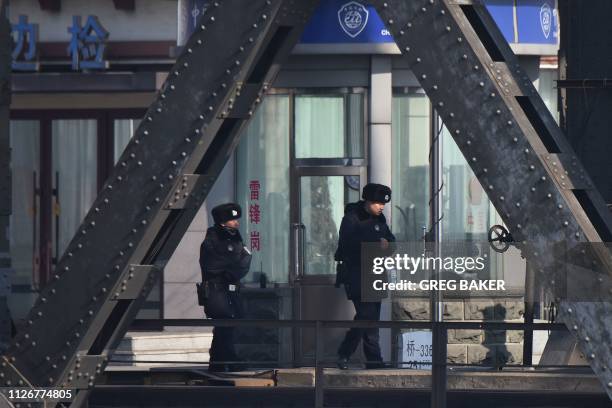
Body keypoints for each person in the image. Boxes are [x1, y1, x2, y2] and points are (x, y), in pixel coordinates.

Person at [335, 183, 395, 369]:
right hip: (357, 275)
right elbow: (347, 244)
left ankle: (373, 360)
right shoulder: (352, 218)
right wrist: (377, 243)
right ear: (367, 201)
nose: (381, 207)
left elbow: (391, 242)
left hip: (376, 275)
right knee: (366, 315)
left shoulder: (381, 220)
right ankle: (345, 352)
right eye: (377, 203)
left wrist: (388, 245)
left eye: (383, 204)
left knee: (371, 320)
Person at [199, 203, 252, 372]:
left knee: (228, 326)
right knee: (224, 325)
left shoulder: (236, 238)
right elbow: (212, 265)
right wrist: (231, 267)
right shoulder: (211, 240)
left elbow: (245, 260)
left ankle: (220, 362)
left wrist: (232, 269)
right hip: (216, 291)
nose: (236, 222)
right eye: (232, 219)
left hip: (231, 289)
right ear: (222, 222)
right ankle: (225, 361)